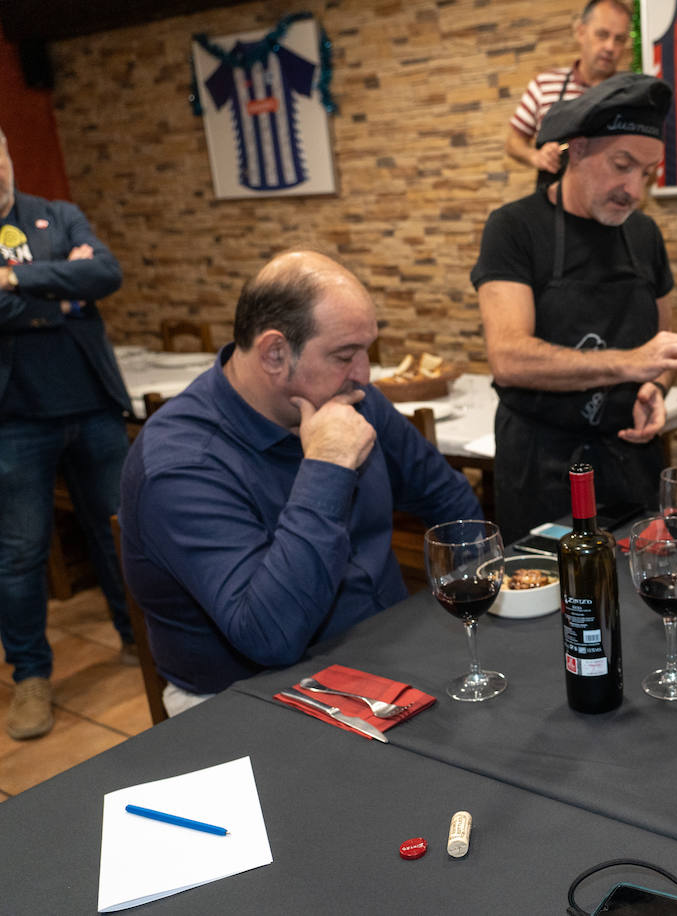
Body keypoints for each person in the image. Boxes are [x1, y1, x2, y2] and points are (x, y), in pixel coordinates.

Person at [119, 250, 482, 715]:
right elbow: (270, 635)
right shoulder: (180, 463)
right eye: (344, 355)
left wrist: (465, 609)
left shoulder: (351, 399)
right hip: (248, 696)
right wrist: (327, 467)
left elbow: (450, 501)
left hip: (382, 658)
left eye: (366, 352)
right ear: (274, 353)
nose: (364, 375)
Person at [473, 72, 677, 543]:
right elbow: (509, 357)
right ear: (575, 150)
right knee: (549, 603)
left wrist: (654, 388)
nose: (634, 190)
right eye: (622, 165)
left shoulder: (644, 235)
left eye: (647, 173)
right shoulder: (514, 228)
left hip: (630, 460)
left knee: (640, 592)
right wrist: (629, 363)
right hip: (541, 467)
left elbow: (661, 348)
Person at [0, 102, 136, 740]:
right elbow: (73, 289)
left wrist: (7, 281)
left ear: (7, 152)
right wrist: (59, 298)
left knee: (122, 534)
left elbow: (105, 273)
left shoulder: (59, 212)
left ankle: (142, 640)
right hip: (10, 424)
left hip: (93, 410)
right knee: (19, 556)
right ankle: (30, 678)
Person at [506, 0, 633, 187]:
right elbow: (513, 142)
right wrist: (536, 157)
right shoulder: (545, 85)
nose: (610, 47)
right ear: (581, 32)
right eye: (602, 35)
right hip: (552, 208)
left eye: (619, 39)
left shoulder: (632, 95)